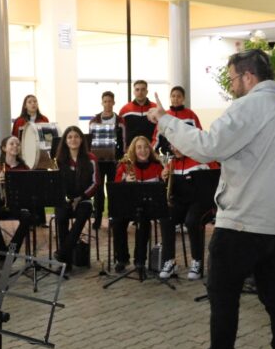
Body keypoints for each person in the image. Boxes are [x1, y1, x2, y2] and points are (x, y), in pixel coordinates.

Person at [149, 49, 275, 349]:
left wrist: (165, 120)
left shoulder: (250, 107)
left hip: (241, 222)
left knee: (224, 301)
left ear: (248, 77)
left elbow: (207, 147)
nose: (233, 86)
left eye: (233, 79)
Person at [158, 145, 217, 281]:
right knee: (166, 216)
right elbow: (169, 191)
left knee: (191, 221)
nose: (175, 149)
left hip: (202, 203)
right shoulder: (171, 163)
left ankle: (197, 261)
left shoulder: (202, 159)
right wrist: (164, 177)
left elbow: (215, 180)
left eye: (178, 145)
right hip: (181, 203)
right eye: (172, 146)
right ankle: (169, 260)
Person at [110, 136, 163, 274]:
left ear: (150, 150)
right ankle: (122, 259)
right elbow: (116, 190)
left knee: (144, 222)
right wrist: (125, 181)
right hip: (128, 205)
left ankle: (140, 261)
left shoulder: (157, 166)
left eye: (145, 147)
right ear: (133, 149)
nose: (143, 150)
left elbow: (163, 188)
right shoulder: (124, 165)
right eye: (139, 147)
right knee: (118, 221)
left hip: (148, 206)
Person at [53, 126, 99, 270]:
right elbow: (55, 183)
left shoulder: (91, 158)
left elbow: (96, 182)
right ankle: (66, 261)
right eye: (70, 137)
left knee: (81, 218)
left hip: (84, 199)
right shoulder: (59, 160)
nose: (73, 139)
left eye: (76, 136)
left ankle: (62, 256)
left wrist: (81, 197)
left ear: (81, 139)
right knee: (61, 217)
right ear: (65, 141)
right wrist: (66, 199)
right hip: (65, 200)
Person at [0, 136, 33, 255]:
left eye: (17, 144)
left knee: (27, 217)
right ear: (4, 148)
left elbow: (29, 192)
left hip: (17, 205)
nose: (15, 146)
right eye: (12, 144)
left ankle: (12, 250)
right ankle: (1, 252)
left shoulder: (24, 168)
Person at [89, 90, 126, 228]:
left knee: (112, 189)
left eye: (110, 101)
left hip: (114, 161)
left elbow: (124, 140)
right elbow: (90, 140)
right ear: (102, 102)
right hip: (98, 162)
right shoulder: (94, 120)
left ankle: (112, 217)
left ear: (114, 102)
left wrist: (122, 158)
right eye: (105, 101)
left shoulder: (120, 121)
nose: (108, 104)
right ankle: (97, 218)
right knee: (98, 190)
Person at [152, 86, 202, 155]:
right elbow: (157, 137)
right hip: (168, 155)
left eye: (179, 96)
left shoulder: (191, 115)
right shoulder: (164, 115)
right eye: (173, 96)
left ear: (183, 98)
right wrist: (153, 152)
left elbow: (198, 135)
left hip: (187, 155)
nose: (176, 99)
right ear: (170, 98)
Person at [119, 80, 157, 148]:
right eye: (137, 90)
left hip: (151, 149)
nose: (140, 92)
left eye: (143, 89)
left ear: (147, 91)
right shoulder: (124, 110)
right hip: (130, 149)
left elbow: (161, 130)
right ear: (134, 92)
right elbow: (121, 133)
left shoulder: (155, 108)